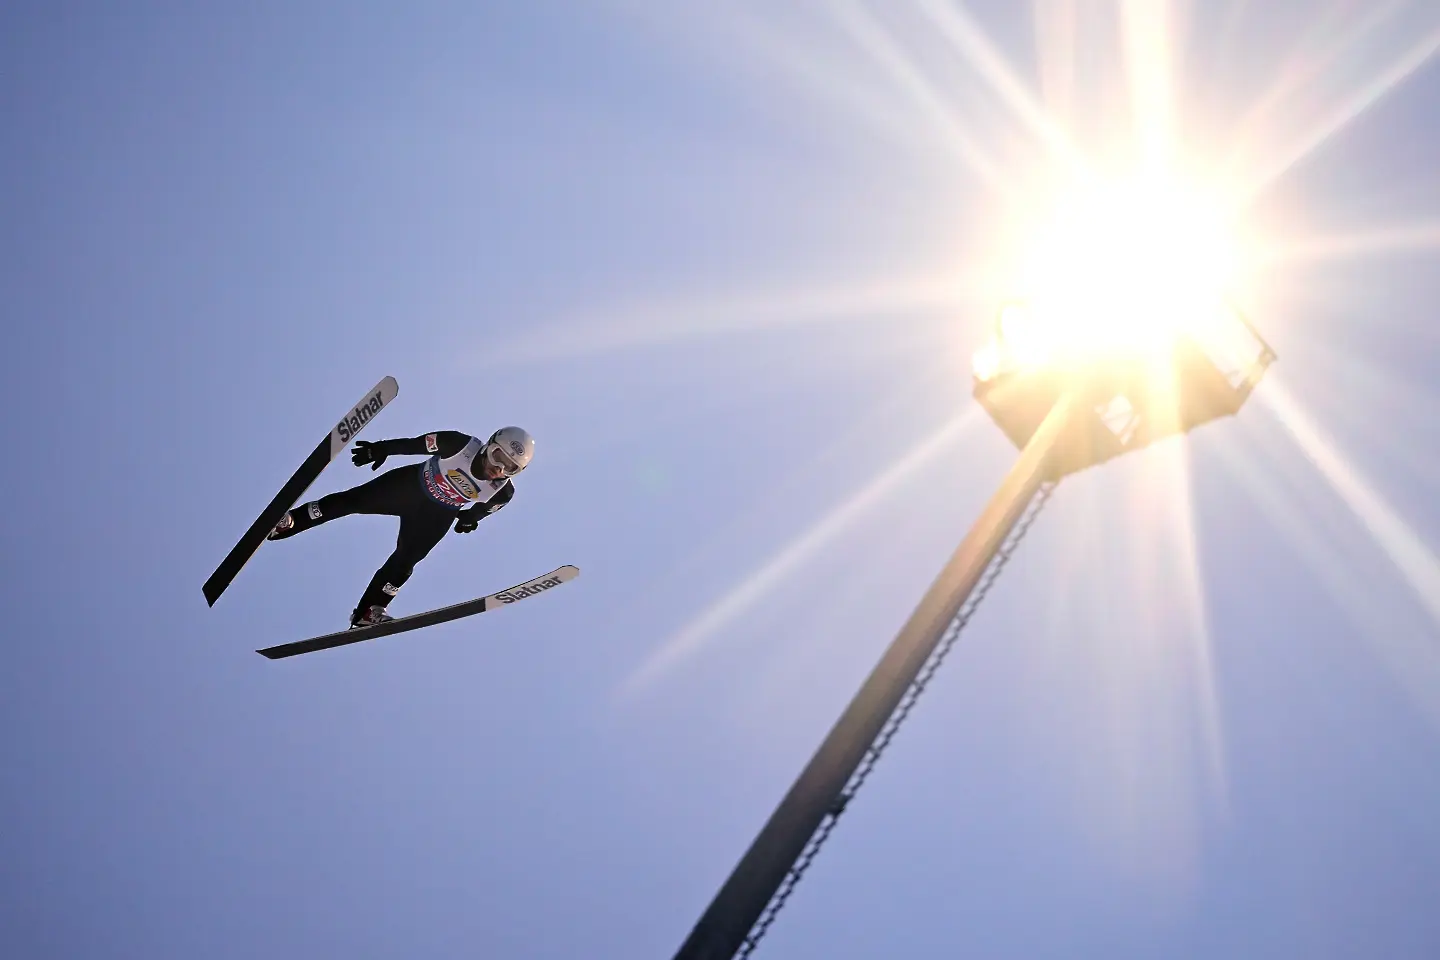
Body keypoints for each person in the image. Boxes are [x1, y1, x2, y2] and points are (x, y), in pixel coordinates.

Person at [267, 426, 535, 628]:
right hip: (408, 488)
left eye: (510, 468)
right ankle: (289, 522)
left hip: (436, 516)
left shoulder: (502, 492)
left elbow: (481, 510)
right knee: (349, 502)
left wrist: (470, 519)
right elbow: (415, 444)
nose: (499, 469)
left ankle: (368, 612)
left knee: (405, 562)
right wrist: (381, 448)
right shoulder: (458, 444)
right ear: (490, 444)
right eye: (499, 457)